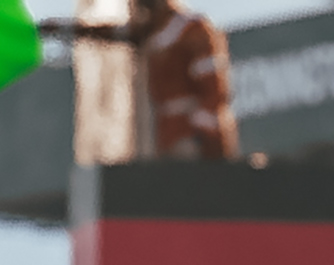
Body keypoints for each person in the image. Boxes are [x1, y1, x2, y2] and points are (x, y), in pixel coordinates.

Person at [55, 2, 241, 162]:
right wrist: (65, 29)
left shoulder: (193, 31)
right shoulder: (151, 31)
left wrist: (201, 138)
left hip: (195, 139)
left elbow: (215, 91)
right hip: (166, 136)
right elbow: (113, 32)